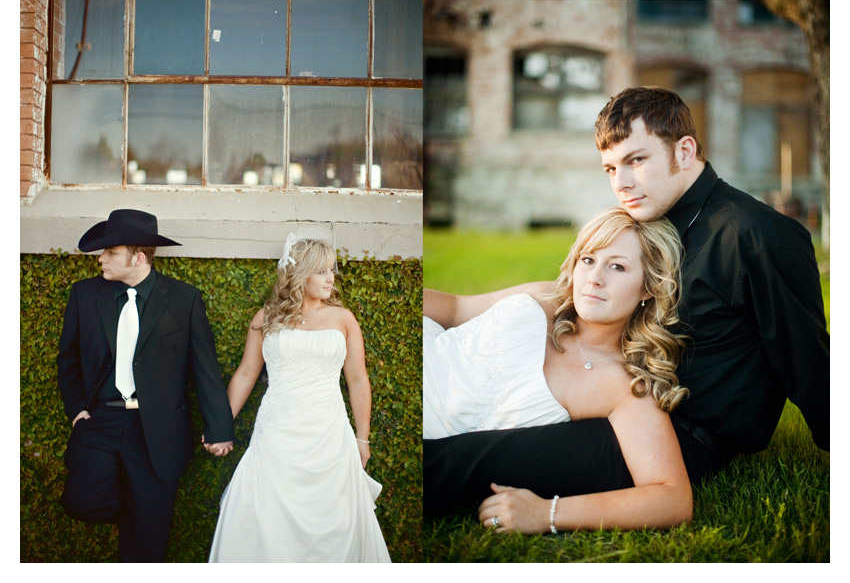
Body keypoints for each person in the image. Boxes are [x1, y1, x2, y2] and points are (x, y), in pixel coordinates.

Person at [423, 86, 829, 524]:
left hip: (680, 430)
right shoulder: (649, 218)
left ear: (685, 151)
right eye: (611, 168)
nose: (622, 183)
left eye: (637, 160)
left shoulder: (757, 235)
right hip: (601, 390)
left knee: (477, 454)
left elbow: (808, 360)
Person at [425, 207, 693, 532]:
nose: (594, 278)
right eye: (588, 259)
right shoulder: (543, 297)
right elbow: (456, 309)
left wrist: (546, 513)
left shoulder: (623, 386)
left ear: (648, 287)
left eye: (617, 267)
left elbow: (672, 497)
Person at [57, 209, 235, 562]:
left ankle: (142, 516)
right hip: (100, 422)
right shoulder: (84, 295)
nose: (101, 259)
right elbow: (69, 359)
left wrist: (220, 428)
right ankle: (131, 505)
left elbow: (205, 368)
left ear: (138, 258)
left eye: (110, 252)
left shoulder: (184, 300)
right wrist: (77, 411)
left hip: (158, 429)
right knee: (82, 500)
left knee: (148, 538)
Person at [208, 229, 391, 562]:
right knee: (268, 519)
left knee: (333, 521)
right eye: (321, 271)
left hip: (329, 435)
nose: (330, 277)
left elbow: (357, 379)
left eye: (331, 269)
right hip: (277, 434)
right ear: (299, 274)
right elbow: (247, 374)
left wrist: (362, 441)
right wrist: (220, 424)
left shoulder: (343, 318)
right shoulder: (267, 317)